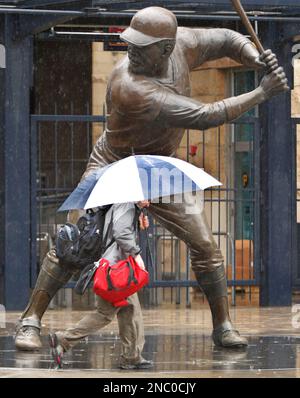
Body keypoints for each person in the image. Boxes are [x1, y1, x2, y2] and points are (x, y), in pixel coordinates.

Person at [15, 6, 288, 351]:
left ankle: (223, 326)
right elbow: (204, 116)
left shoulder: (184, 42)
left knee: (205, 246)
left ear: (166, 48)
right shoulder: (130, 85)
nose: (130, 49)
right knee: (76, 242)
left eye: (141, 45)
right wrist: (262, 92)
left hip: (160, 167)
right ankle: (30, 321)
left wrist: (255, 58)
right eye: (130, 41)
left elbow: (230, 39)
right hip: (114, 164)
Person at [49, 200, 152, 370]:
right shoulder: (125, 205)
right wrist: (137, 254)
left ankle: (131, 356)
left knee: (129, 310)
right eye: (145, 195)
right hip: (116, 272)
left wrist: (138, 223)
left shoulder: (125, 206)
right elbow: (120, 233)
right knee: (104, 314)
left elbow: (117, 231)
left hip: (116, 268)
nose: (148, 199)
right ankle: (64, 338)